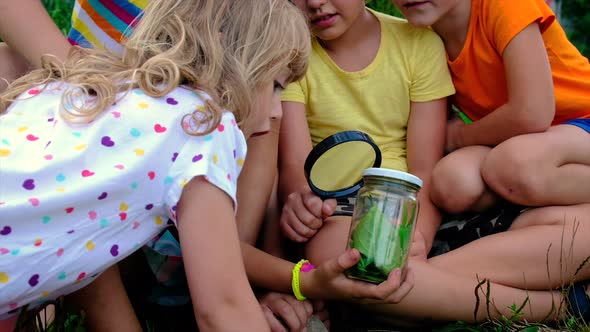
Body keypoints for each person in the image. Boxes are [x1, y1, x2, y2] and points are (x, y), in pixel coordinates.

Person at [0, 0, 311, 330]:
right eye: (276, 85)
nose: (278, 111)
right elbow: (223, 310)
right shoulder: (204, 128)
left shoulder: (104, 87)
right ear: (230, 55)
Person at [279, 0, 455, 269]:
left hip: (398, 197)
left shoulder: (419, 44)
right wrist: (304, 203)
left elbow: (426, 170)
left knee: (385, 266)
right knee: (353, 261)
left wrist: (420, 236)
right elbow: (295, 163)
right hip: (334, 201)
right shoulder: (291, 53)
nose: (315, 3)